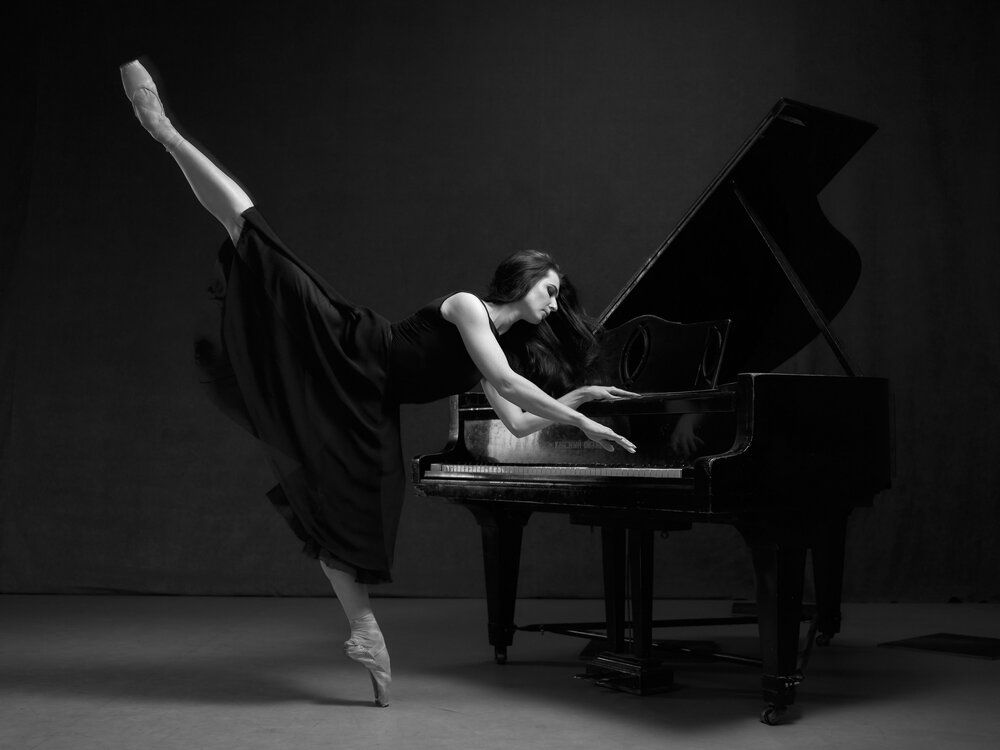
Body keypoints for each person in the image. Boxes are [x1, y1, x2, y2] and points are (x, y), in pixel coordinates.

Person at [120, 59, 638, 707]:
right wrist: (587, 423)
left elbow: (519, 421)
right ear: (524, 278)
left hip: (366, 403)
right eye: (550, 290)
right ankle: (163, 128)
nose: (555, 304)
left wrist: (578, 400)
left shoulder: (491, 351)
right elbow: (506, 379)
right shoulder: (470, 309)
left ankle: (363, 630)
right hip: (348, 343)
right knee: (254, 236)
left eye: (559, 298)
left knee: (349, 512)